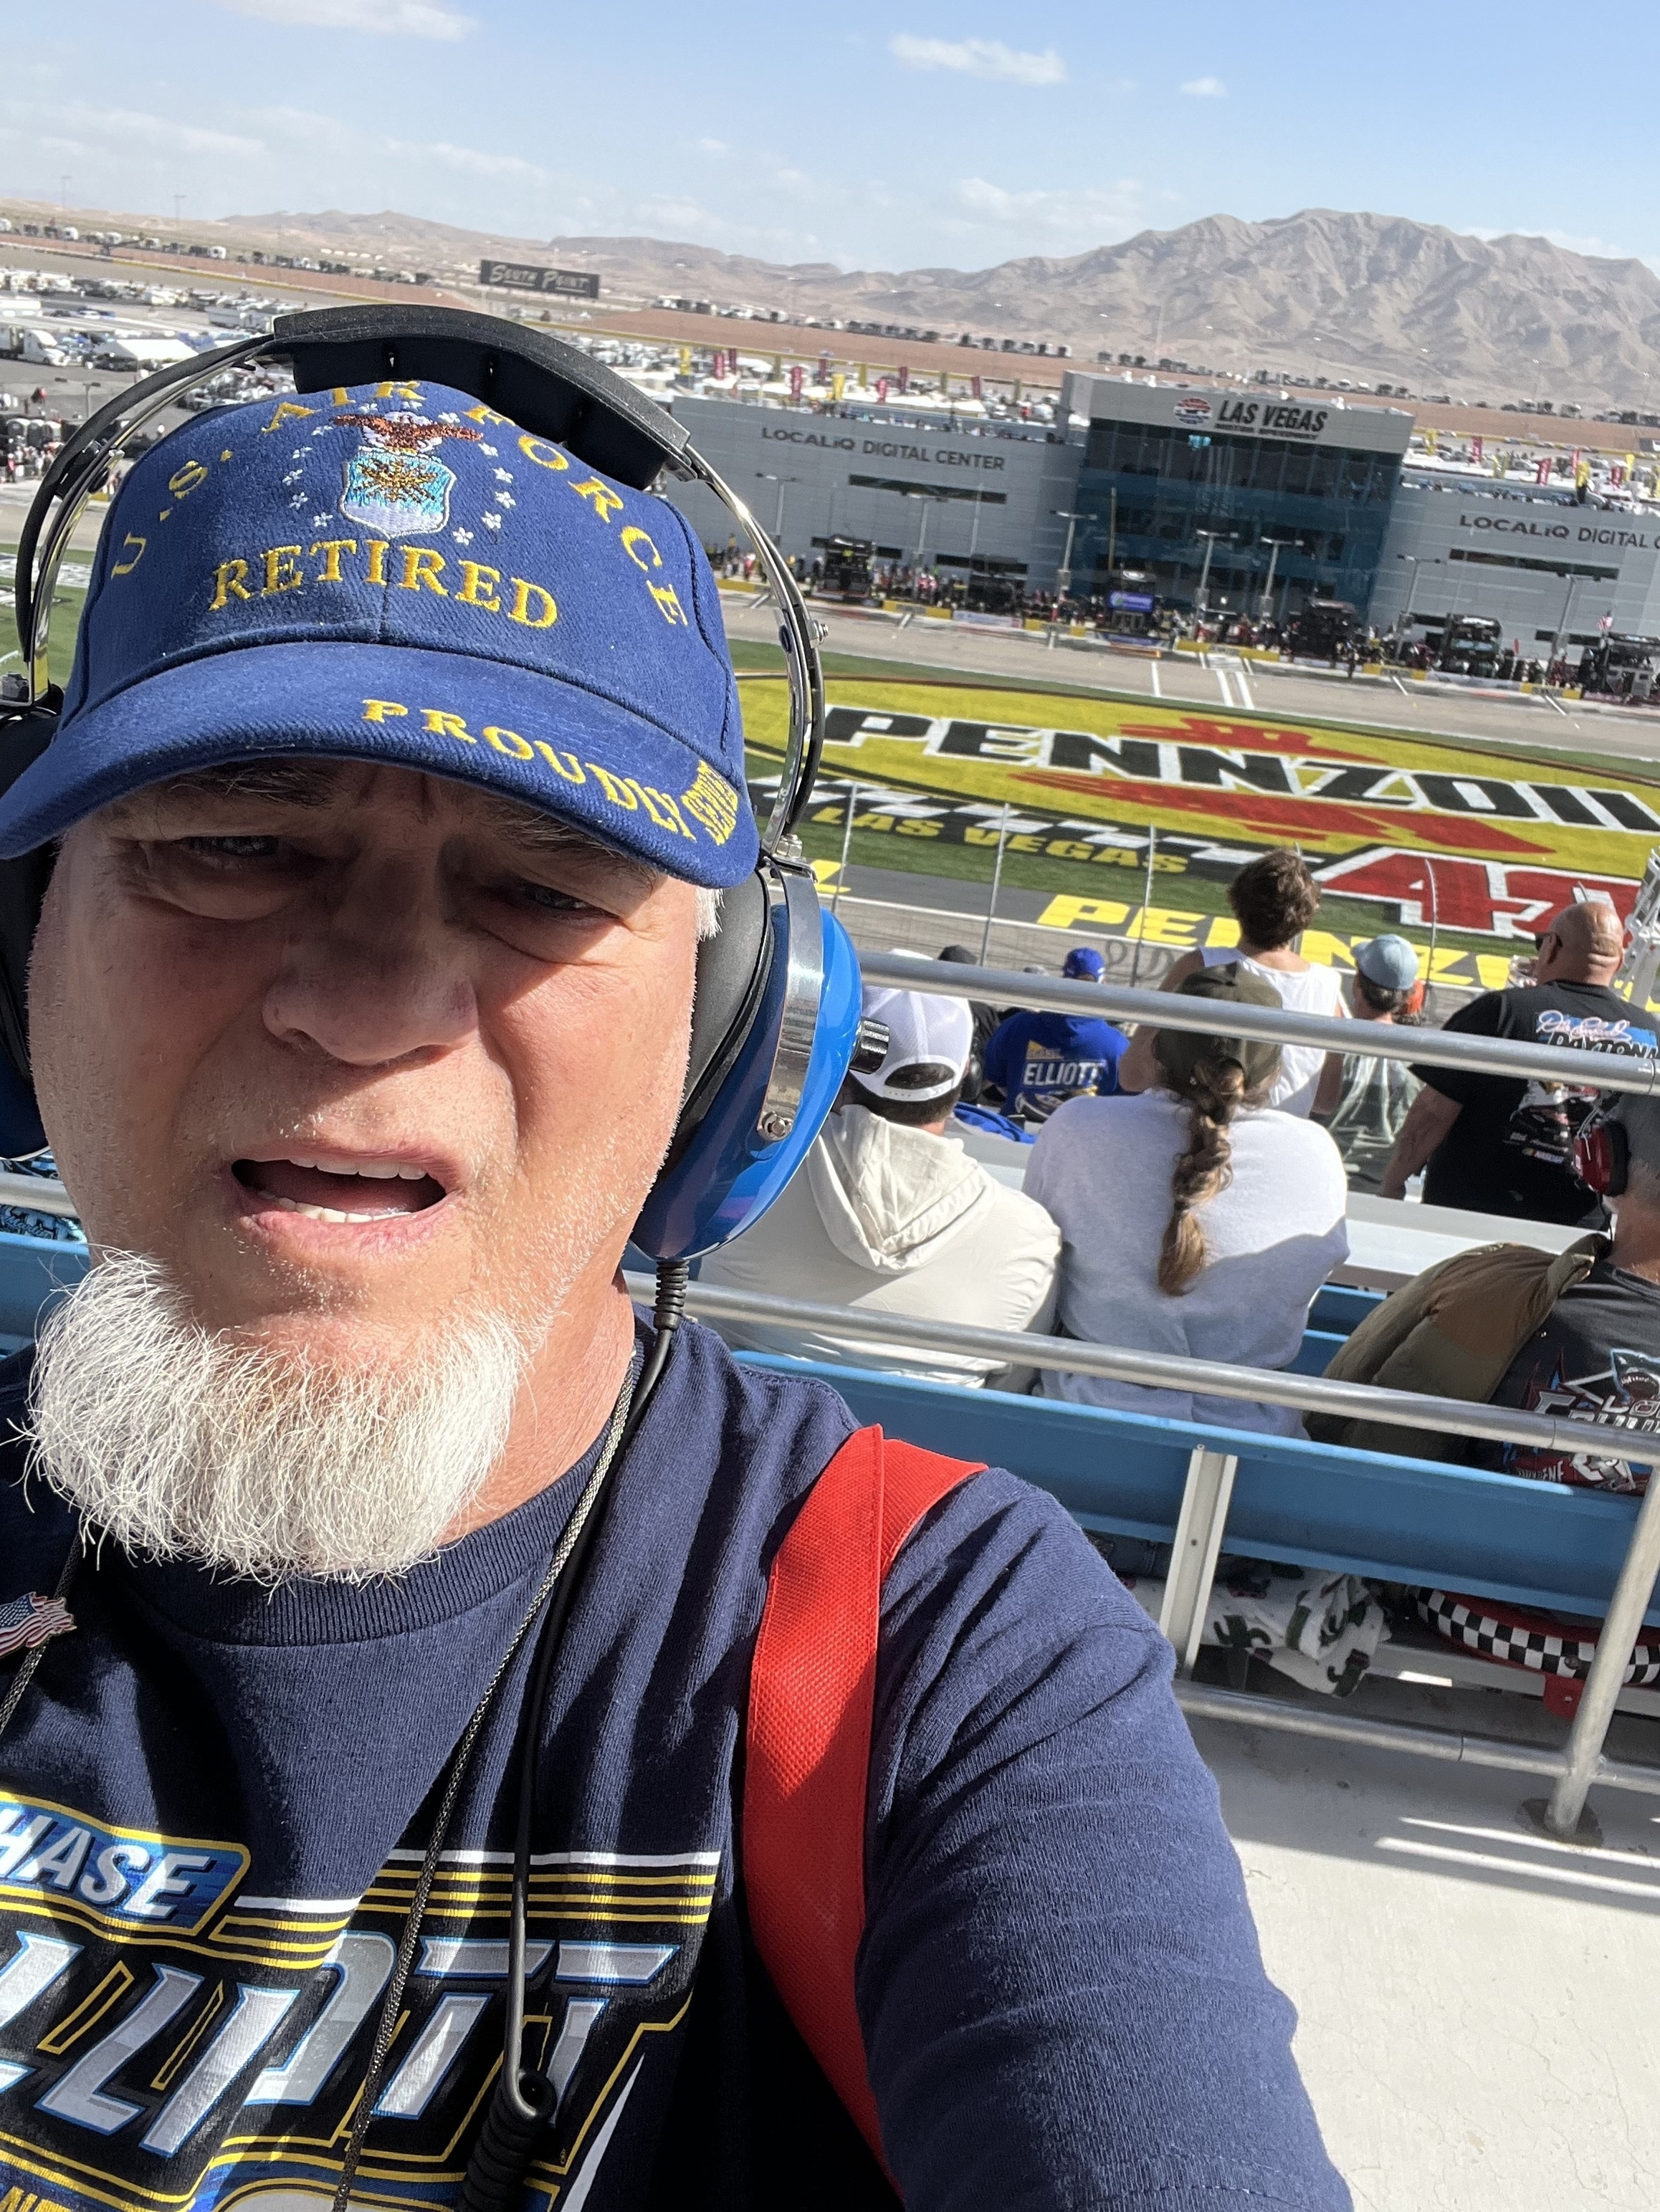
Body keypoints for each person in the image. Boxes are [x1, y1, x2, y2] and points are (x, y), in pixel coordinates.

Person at [0, 366, 1350, 2209]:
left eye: (545, 884)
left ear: (729, 1034)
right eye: (232, 843)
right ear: (26, 943)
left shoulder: (940, 1658)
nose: (368, 1009)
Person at [1026, 965, 1349, 1434]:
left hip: (1082, 1426)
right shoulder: (1315, 1152)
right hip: (1252, 1444)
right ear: (1274, 1070)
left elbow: (1036, 1265)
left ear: (1157, 1050)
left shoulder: (1078, 1126)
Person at [699, 985, 1059, 1385]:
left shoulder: (742, 1180)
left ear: (837, 1065)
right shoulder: (1028, 1238)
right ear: (966, 1074)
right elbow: (1010, 1392)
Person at [1380, 900, 1654, 1222]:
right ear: (1619, 961)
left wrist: (1392, 1184)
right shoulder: (1652, 1034)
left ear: (1552, 947)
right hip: (1580, 1230)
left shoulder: (1502, 1011)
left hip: (1471, 1217)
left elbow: (1431, 1114)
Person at [1118, 850, 1346, 1116]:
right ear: (1307, 915)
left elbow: (1132, 1075)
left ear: (1237, 903)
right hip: (1279, 1135)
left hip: (1188, 1128)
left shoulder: (1200, 966)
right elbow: (1325, 1100)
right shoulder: (1327, 984)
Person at [1317, 934, 1423, 1194]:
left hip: (1321, 1180)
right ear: (1405, 996)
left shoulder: (1331, 1044)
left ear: (1357, 984)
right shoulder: (1420, 1060)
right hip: (1380, 1189)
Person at [981, 943, 1127, 1119]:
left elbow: (994, 1078)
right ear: (1103, 985)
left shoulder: (1017, 1026)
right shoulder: (1116, 1045)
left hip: (1017, 1129)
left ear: (1064, 982)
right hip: (1082, 1133)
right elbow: (1124, 1101)